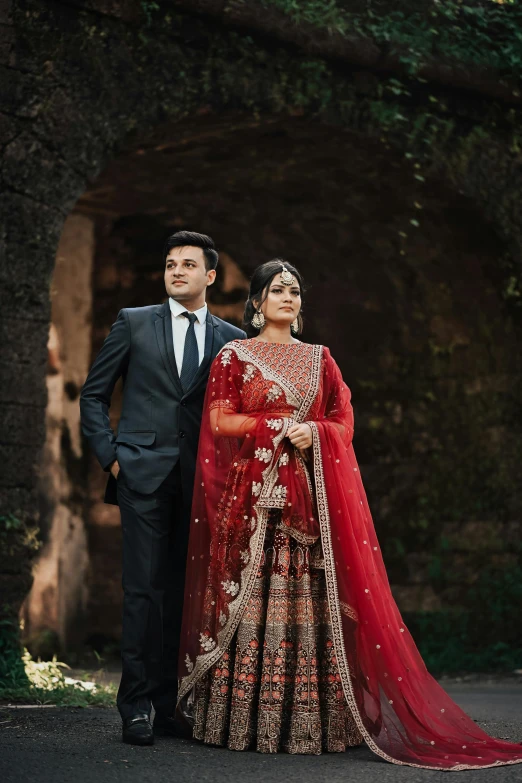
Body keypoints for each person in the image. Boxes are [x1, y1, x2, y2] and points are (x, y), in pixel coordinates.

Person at [176, 259, 522, 769]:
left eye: (295, 290)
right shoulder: (235, 356)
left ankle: (316, 723)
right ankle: (241, 719)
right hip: (258, 505)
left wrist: (314, 433)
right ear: (256, 303)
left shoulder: (321, 359)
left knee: (315, 603)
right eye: (277, 290)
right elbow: (220, 420)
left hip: (311, 504)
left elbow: (343, 420)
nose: (288, 297)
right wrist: (274, 426)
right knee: (253, 600)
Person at [80, 231, 246, 746]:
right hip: (141, 474)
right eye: (171, 264)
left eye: (188, 264)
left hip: (202, 483)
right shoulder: (133, 323)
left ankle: (173, 704)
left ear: (209, 276)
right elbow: (93, 395)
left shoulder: (230, 339)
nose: (177, 271)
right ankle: (135, 706)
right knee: (142, 592)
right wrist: (112, 458)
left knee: (185, 595)